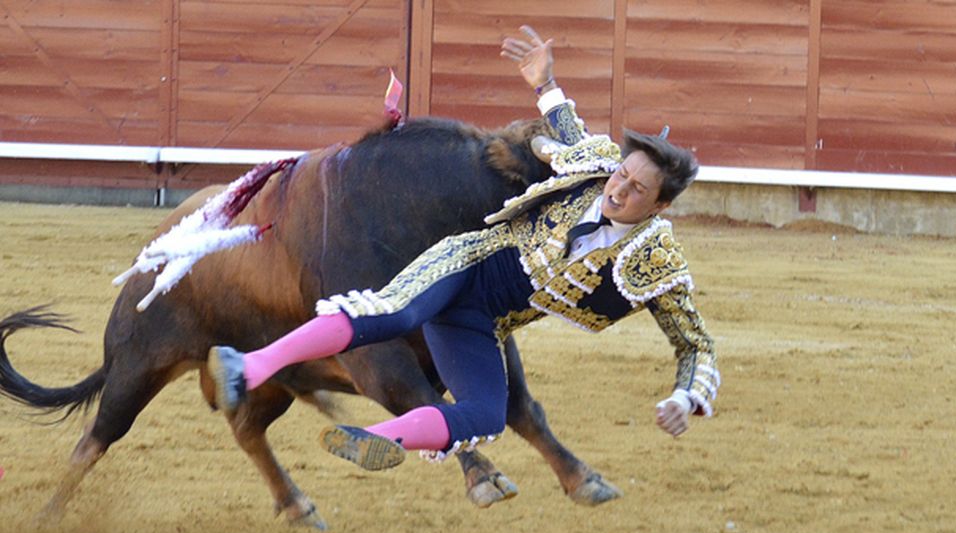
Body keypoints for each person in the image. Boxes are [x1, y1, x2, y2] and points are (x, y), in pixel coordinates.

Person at [207, 25, 719, 471]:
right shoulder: (596, 165)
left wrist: (685, 396)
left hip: (483, 321)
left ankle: (375, 440)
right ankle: (249, 367)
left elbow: (695, 344)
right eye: (622, 174)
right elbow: (565, 121)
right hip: (467, 264)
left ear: (659, 207)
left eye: (636, 190)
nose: (618, 189)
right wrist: (543, 80)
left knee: (486, 415)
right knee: (394, 312)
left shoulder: (658, 263)